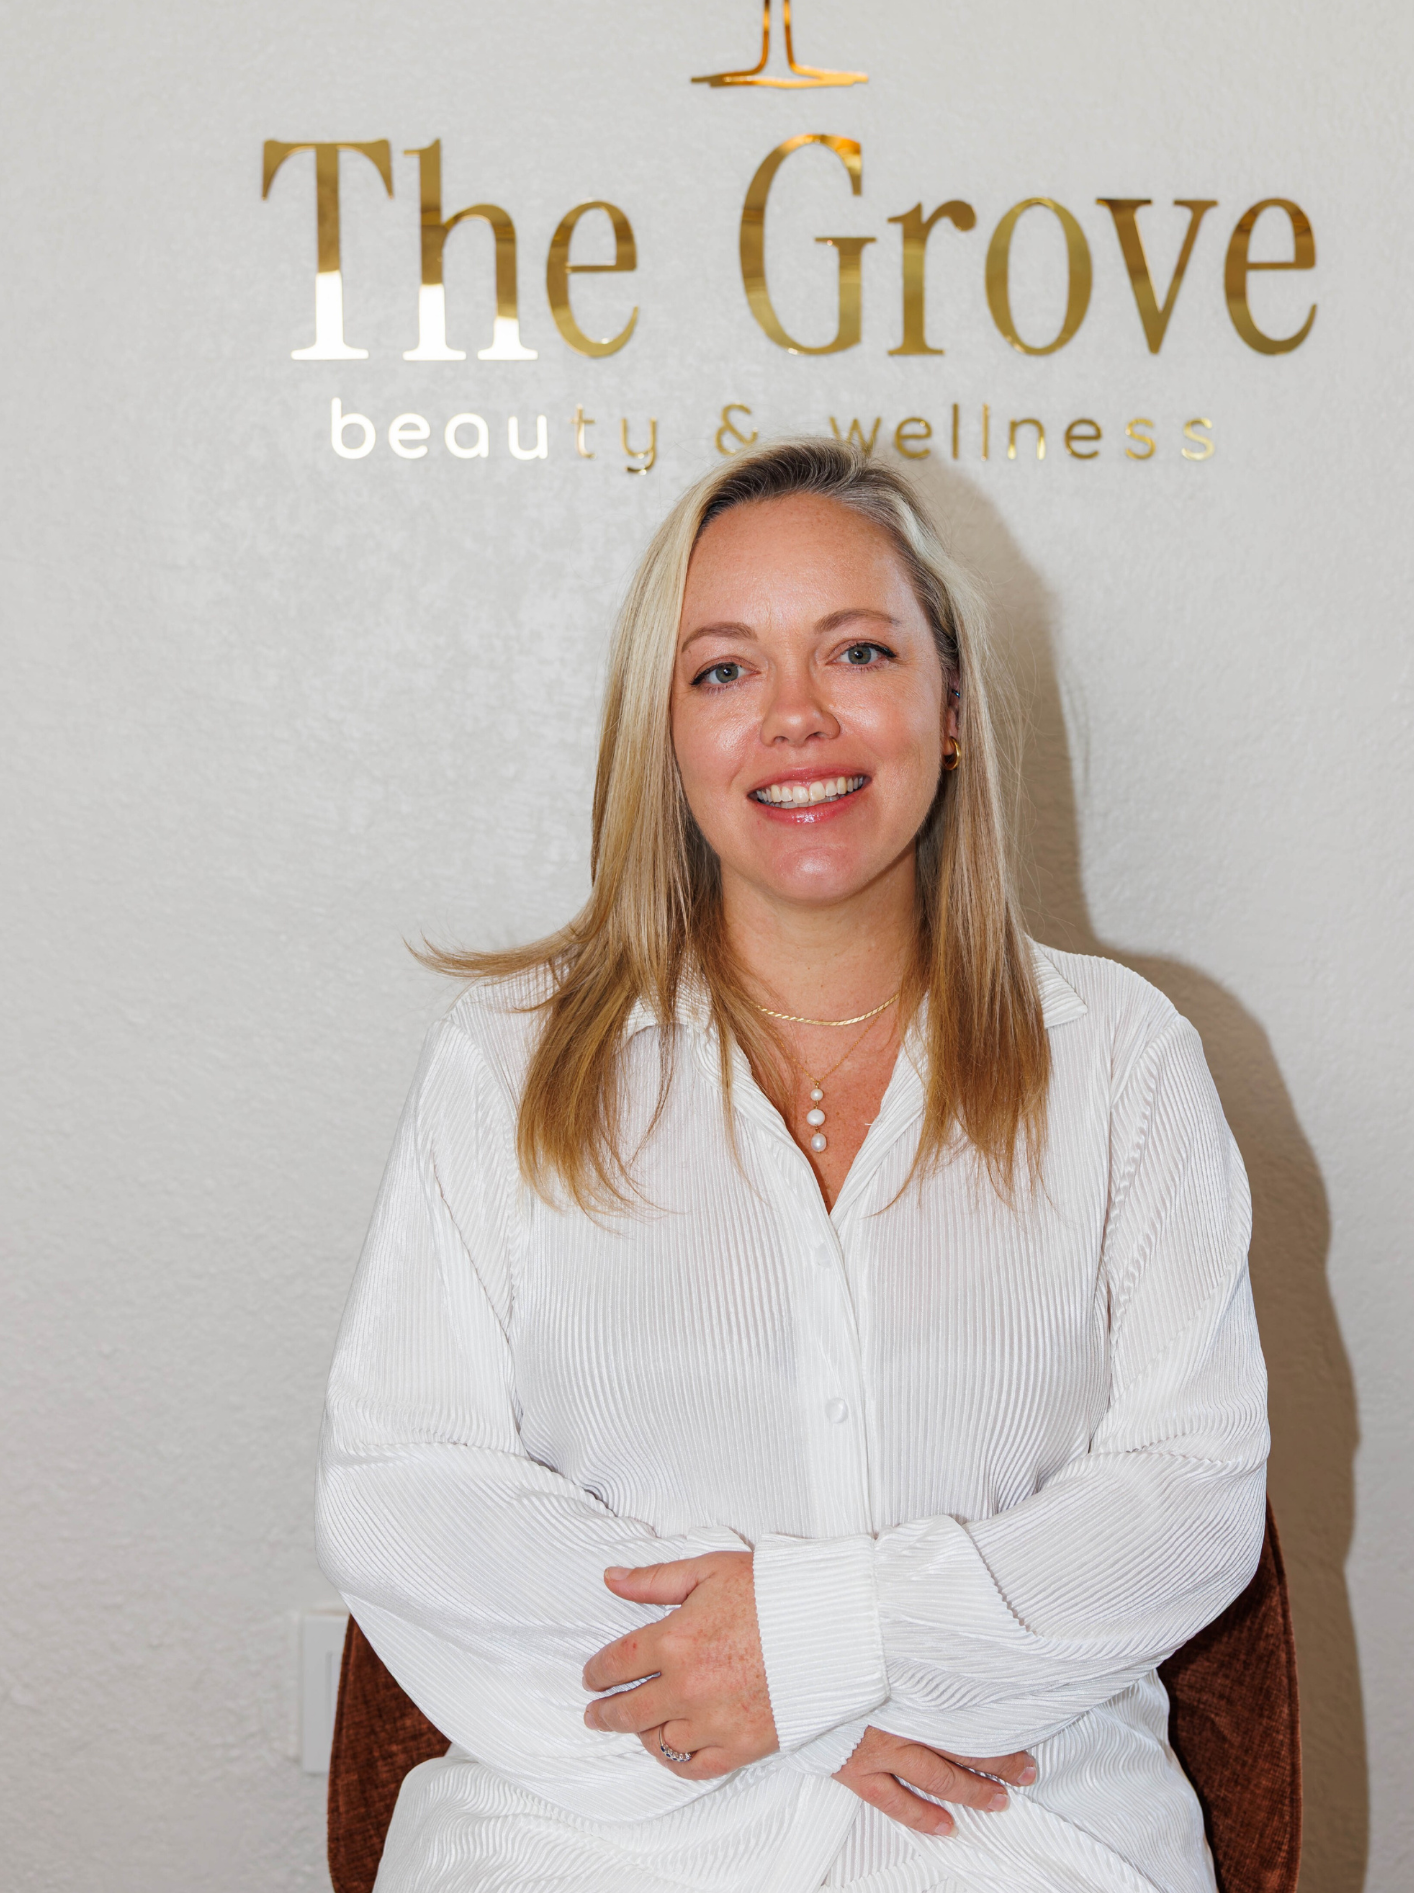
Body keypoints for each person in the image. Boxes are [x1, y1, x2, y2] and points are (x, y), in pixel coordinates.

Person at [316, 438, 1269, 1893]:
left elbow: (1187, 1497)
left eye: (860, 651)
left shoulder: (1124, 1059)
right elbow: (410, 1491)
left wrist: (823, 1650)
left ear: (948, 706)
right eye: (724, 671)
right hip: (594, 1836)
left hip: (1014, 1836)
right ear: (666, 731)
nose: (798, 719)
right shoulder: (501, 1060)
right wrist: (795, 1712)